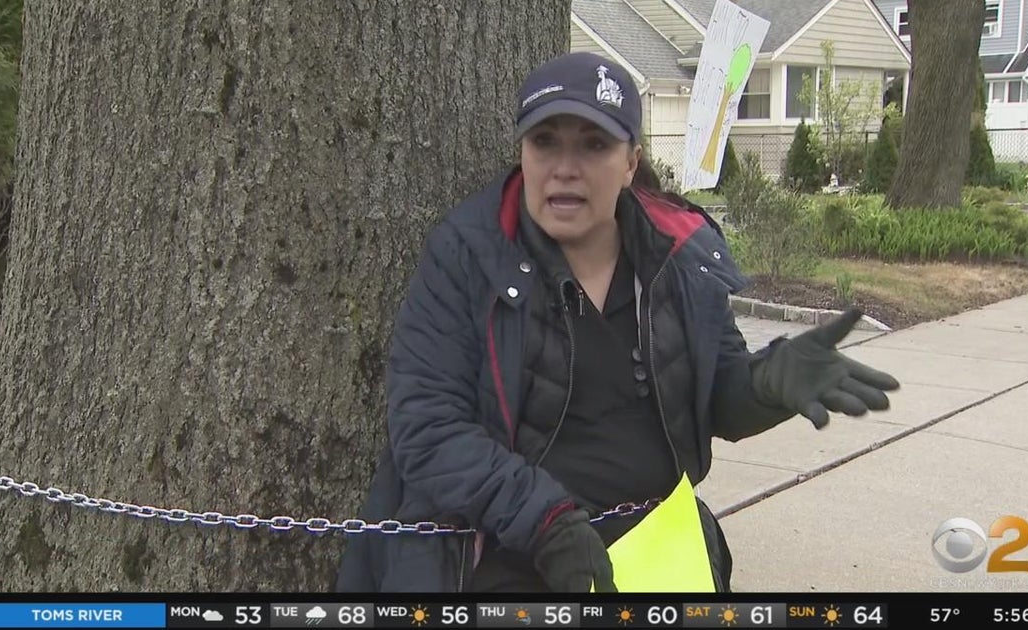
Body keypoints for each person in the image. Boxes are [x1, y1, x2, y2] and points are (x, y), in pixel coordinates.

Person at [336, 52, 899, 593]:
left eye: (594, 145)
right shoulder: (468, 254)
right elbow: (428, 428)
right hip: (506, 548)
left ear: (630, 163)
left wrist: (767, 383)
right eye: (544, 142)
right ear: (523, 152)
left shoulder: (683, 255)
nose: (564, 168)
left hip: (659, 545)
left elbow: (717, 398)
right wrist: (546, 521)